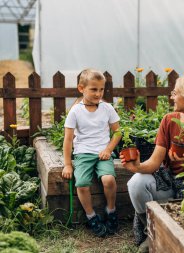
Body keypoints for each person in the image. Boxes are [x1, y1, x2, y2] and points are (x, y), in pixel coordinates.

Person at [121, 73, 184, 252]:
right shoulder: (169, 120)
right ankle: (149, 232)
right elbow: (154, 163)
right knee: (136, 183)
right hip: (168, 182)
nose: (172, 97)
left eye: (175, 93)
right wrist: (137, 166)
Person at [61, 69, 122, 237]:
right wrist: (67, 164)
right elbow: (67, 140)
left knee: (108, 179)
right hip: (83, 154)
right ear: (81, 89)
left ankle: (111, 210)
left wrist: (108, 149)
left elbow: (118, 132)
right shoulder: (75, 111)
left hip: (103, 153)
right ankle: (91, 216)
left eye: (101, 89)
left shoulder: (107, 108)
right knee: (81, 184)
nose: (98, 93)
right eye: (94, 89)